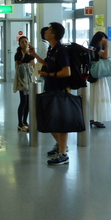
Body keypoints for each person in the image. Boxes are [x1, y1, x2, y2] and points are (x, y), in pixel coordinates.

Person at [28, 22, 72, 166]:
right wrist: (34, 55)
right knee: (50, 120)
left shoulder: (62, 50)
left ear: (52, 35)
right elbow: (47, 63)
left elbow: (67, 72)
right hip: (51, 88)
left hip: (60, 90)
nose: (45, 31)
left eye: (47, 30)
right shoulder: (51, 50)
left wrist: (48, 74)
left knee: (60, 122)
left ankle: (63, 153)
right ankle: (61, 146)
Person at [89, 31, 111, 128]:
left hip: (93, 74)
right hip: (99, 76)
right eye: (103, 39)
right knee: (99, 95)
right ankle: (96, 118)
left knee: (94, 97)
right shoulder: (97, 48)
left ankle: (93, 117)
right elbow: (106, 56)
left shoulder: (90, 47)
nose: (104, 41)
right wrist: (107, 45)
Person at [13, 36, 35, 131]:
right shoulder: (18, 54)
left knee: (28, 102)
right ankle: (20, 123)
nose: (24, 43)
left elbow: (33, 64)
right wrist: (27, 62)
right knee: (23, 101)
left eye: (26, 41)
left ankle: (25, 121)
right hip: (22, 81)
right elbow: (18, 67)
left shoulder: (31, 53)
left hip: (30, 80)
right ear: (19, 44)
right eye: (22, 42)